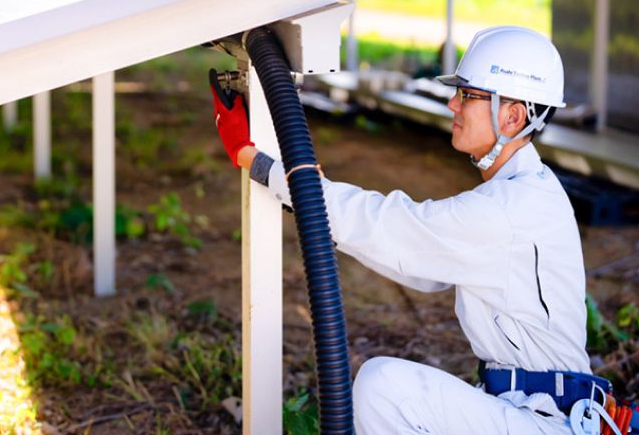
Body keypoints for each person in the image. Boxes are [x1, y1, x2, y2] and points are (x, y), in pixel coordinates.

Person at [210, 26, 610, 435]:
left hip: (544, 421)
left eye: (468, 95)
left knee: (385, 388)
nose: (453, 103)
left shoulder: (511, 210)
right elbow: (419, 263)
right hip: (529, 411)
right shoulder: (523, 194)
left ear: (513, 115)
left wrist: (258, 163)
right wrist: (315, 194)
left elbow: (397, 230)